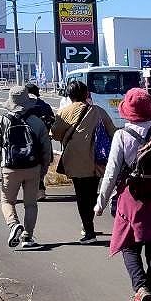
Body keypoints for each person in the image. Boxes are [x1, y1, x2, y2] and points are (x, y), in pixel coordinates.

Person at [95, 88, 151, 301]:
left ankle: (141, 289)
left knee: (128, 246)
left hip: (132, 199)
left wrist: (101, 202)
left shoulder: (122, 136)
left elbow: (111, 173)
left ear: (127, 112)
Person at [0, 85, 53, 250]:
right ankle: (27, 236)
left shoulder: (1, 121)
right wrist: (43, 170)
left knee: (7, 201)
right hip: (33, 167)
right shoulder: (37, 122)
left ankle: (14, 224)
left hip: (10, 168)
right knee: (31, 204)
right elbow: (46, 149)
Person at [52, 79, 117, 244]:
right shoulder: (99, 111)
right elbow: (112, 132)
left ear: (69, 95)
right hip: (97, 160)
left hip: (75, 159)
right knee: (92, 193)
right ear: (87, 94)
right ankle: (88, 224)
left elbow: (55, 134)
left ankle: (89, 231)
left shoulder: (63, 112)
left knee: (81, 195)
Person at [24, 82, 55, 200]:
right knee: (42, 164)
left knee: (28, 165)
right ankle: (40, 189)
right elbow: (53, 121)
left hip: (27, 141)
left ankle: (35, 190)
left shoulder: (23, 106)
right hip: (44, 139)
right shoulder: (45, 106)